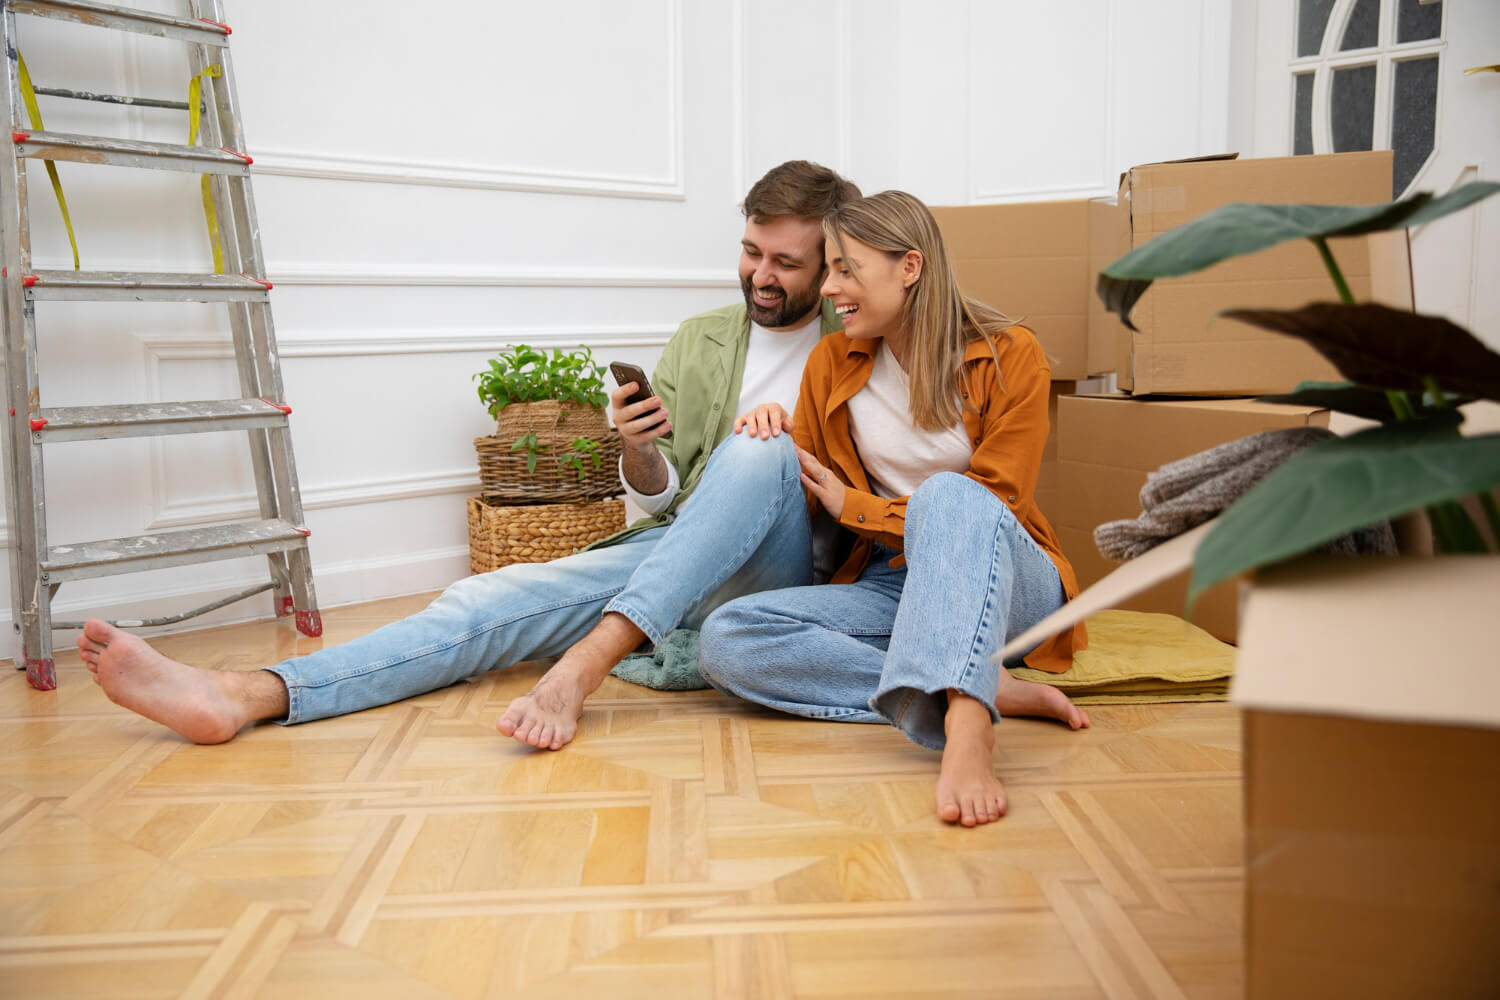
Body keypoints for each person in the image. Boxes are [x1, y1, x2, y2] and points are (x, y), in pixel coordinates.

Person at [75, 160, 861, 749]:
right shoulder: (705, 339)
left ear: (832, 266)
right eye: (752, 251)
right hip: (675, 552)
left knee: (760, 456)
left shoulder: (859, 339)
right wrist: (636, 448)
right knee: (484, 602)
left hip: (780, 575)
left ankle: (583, 665)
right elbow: (661, 499)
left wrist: (781, 443)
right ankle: (248, 694)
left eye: (785, 262)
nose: (760, 275)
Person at [697, 190, 1090, 828]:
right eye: (827, 269)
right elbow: (811, 492)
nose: (828, 287)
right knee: (729, 639)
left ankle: (968, 728)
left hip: (1011, 580)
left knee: (951, 494)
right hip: (892, 581)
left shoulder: (1011, 353)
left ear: (910, 267)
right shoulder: (832, 361)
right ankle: (978, 677)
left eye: (845, 268)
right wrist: (770, 441)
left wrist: (857, 507)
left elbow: (998, 499)